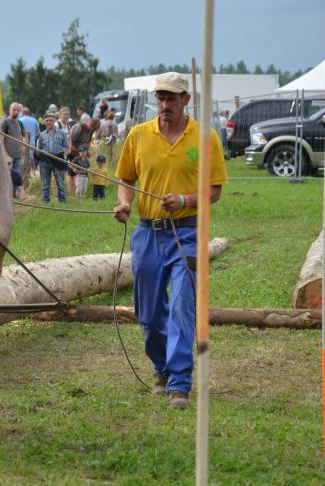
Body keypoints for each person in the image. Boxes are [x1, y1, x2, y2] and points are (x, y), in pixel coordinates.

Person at [112, 72, 228, 409]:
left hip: (188, 232)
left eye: (171, 98)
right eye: (160, 98)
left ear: (185, 100)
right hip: (147, 233)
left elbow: (215, 190)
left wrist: (186, 201)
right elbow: (126, 178)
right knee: (147, 312)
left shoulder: (205, 138)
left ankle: (179, 381)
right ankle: (161, 367)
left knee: (181, 306)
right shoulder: (138, 135)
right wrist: (125, 203)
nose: (164, 104)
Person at [35, 112, 68, 203]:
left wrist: (64, 157)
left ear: (54, 121)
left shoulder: (61, 133)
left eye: (50, 120)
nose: (49, 122)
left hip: (58, 159)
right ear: (44, 122)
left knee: (60, 183)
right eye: (47, 121)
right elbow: (39, 149)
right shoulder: (41, 135)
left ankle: (62, 201)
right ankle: (45, 201)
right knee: (45, 182)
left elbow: (66, 146)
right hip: (45, 160)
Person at [0, 102, 27, 199]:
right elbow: (1, 139)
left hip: (18, 155)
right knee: (8, 176)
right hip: (8, 156)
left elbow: (24, 135)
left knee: (17, 176)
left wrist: (24, 145)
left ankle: (14, 196)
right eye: (14, 110)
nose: (16, 112)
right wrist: (5, 154)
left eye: (17, 110)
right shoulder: (5, 123)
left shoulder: (20, 123)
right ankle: (7, 197)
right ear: (10, 110)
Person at [68, 117, 99, 198]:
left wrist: (87, 152)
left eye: (94, 129)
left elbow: (88, 142)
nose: (92, 129)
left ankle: (78, 194)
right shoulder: (79, 127)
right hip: (73, 151)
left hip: (82, 153)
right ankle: (72, 194)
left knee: (81, 174)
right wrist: (79, 152)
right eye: (92, 127)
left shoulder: (91, 130)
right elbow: (70, 141)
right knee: (72, 173)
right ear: (89, 123)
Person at [18, 106, 40, 173]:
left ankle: (25, 174)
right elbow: (38, 132)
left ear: (22, 112)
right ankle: (31, 173)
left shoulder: (20, 120)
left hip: (22, 142)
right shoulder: (34, 120)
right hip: (32, 142)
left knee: (23, 159)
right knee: (31, 158)